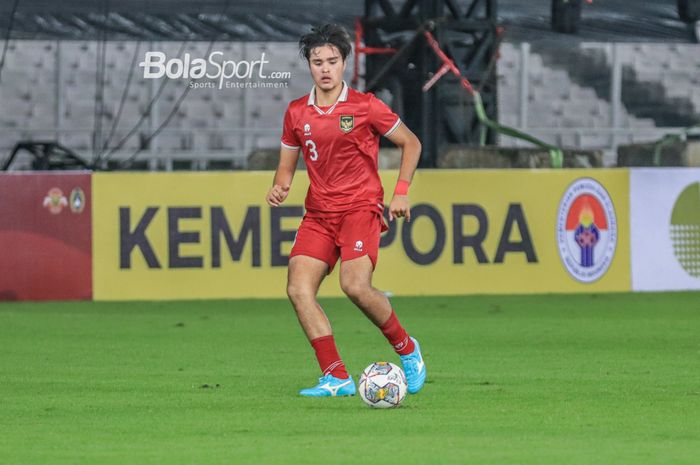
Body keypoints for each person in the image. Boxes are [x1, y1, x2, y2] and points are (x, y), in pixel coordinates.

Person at [265, 24, 426, 397]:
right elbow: (286, 168)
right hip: (319, 214)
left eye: (332, 61)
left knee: (354, 285)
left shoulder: (365, 106)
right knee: (298, 289)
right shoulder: (295, 113)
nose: (325, 68)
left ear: (344, 64)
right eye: (317, 61)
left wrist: (401, 192)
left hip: (359, 207)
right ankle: (336, 376)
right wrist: (279, 187)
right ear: (309, 65)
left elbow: (411, 143)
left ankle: (407, 348)